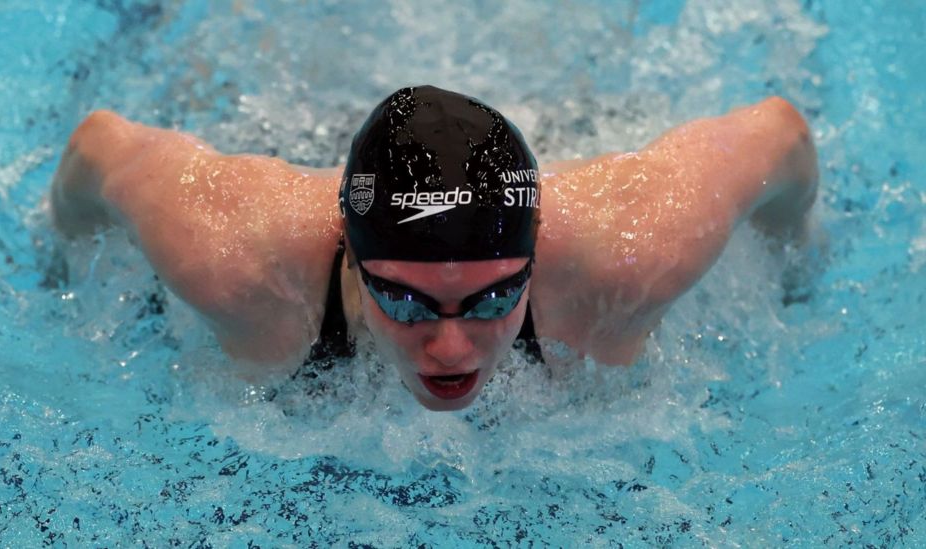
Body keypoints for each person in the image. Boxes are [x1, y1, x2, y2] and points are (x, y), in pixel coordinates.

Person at [50, 85, 818, 411]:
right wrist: (63, 272)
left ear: (537, 248)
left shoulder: (636, 247)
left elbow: (781, 134)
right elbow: (98, 150)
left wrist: (792, 272)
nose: (451, 346)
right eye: (405, 300)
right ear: (346, 251)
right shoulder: (234, 256)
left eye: (491, 299)